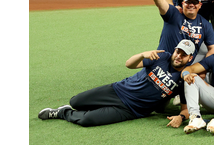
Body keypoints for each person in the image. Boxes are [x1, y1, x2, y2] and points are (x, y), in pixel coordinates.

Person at [38, 40, 195, 127]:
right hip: (117, 90)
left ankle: (62, 113)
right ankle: (69, 107)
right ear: (174, 50)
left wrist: (181, 117)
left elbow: (186, 109)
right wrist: (141, 55)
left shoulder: (184, 79)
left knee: (87, 120)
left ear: (190, 59)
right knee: (76, 101)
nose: (179, 56)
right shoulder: (162, 57)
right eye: (178, 52)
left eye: (184, 55)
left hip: (131, 110)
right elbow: (129, 64)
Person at [144, 0, 214, 61]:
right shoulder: (173, 14)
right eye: (188, 2)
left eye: (194, 2)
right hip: (163, 63)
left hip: (184, 69)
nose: (191, 5)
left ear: (200, 5)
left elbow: (213, 48)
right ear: (182, 3)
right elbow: (160, 2)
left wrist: (204, 66)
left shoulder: (206, 25)